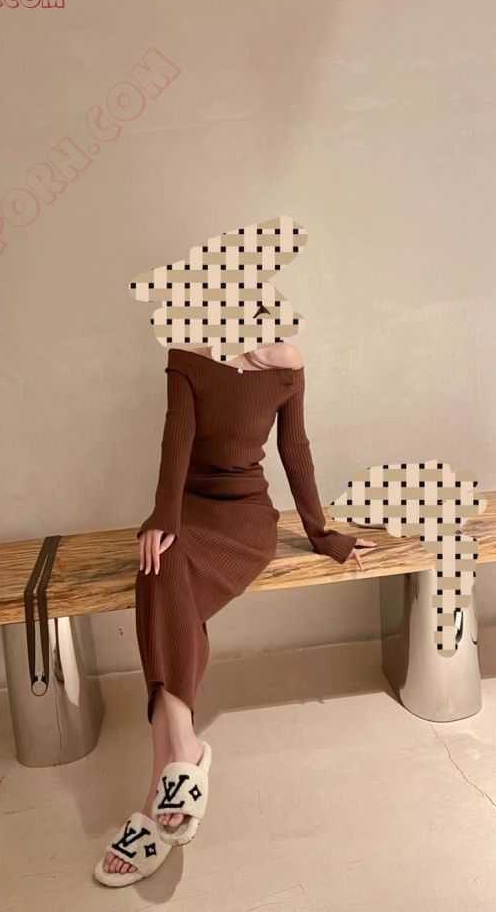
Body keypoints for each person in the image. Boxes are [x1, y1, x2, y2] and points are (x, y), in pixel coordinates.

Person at [96, 337, 377, 884]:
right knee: (159, 567)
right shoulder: (187, 354)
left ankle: (162, 783)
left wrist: (321, 532)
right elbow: (176, 437)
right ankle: (180, 754)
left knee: (164, 590)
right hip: (189, 508)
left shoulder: (285, 362)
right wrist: (163, 516)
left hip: (246, 516)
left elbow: (295, 448)